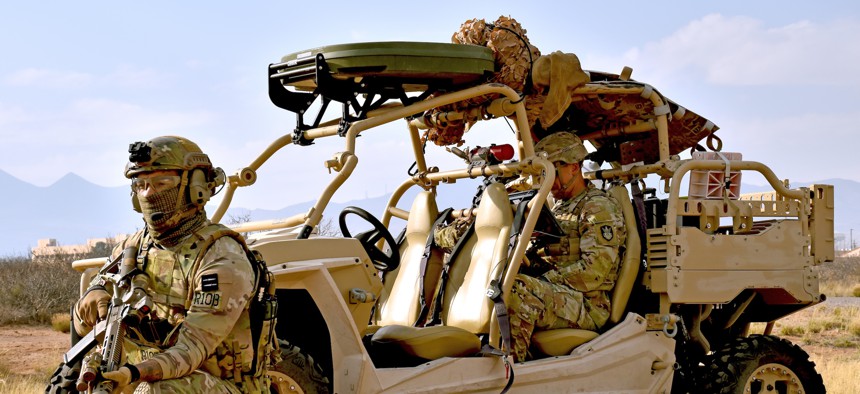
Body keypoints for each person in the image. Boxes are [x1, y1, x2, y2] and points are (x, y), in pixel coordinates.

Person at [72, 136, 268, 393]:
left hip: (222, 384)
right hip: (149, 372)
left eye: (161, 183)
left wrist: (134, 374)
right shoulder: (136, 246)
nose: (148, 194)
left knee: (153, 392)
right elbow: (104, 280)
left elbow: (191, 350)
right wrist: (95, 294)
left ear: (195, 188)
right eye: (141, 185)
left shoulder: (222, 257)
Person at [507, 132, 627, 362]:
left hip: (588, 303)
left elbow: (593, 273)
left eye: (551, 171)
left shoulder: (597, 207)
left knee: (516, 290)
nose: (546, 180)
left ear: (573, 167)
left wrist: (544, 279)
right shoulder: (558, 206)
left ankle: (511, 371)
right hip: (558, 293)